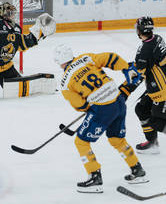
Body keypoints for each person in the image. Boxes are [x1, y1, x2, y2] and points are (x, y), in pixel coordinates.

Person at [53, 44, 148, 193]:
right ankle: (137, 170)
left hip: (102, 108)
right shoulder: (86, 58)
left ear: (59, 62)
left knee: (81, 142)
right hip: (118, 101)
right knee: (117, 140)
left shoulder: (65, 83)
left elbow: (79, 104)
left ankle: (94, 177)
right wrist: (126, 68)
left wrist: (89, 108)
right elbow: (111, 57)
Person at [132, 16, 166, 154]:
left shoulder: (146, 49)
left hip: (162, 90)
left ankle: (152, 141)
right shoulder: (157, 38)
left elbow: (139, 73)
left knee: (156, 120)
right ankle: (152, 143)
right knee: (141, 109)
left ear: (140, 30)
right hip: (158, 86)